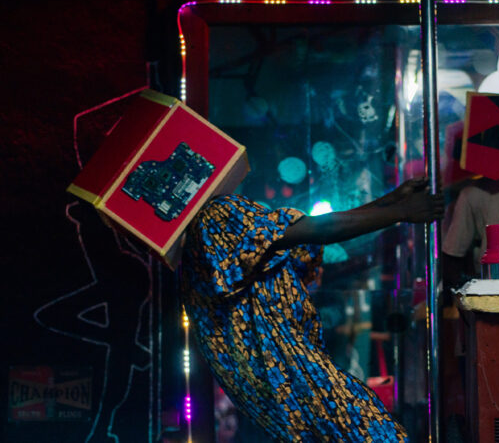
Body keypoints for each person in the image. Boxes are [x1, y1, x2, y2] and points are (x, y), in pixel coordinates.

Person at [180, 177, 443, 442]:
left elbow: (312, 234)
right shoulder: (216, 215)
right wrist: (402, 211)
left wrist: (391, 202)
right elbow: (319, 229)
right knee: (371, 432)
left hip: (287, 374)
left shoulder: (204, 238)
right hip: (290, 371)